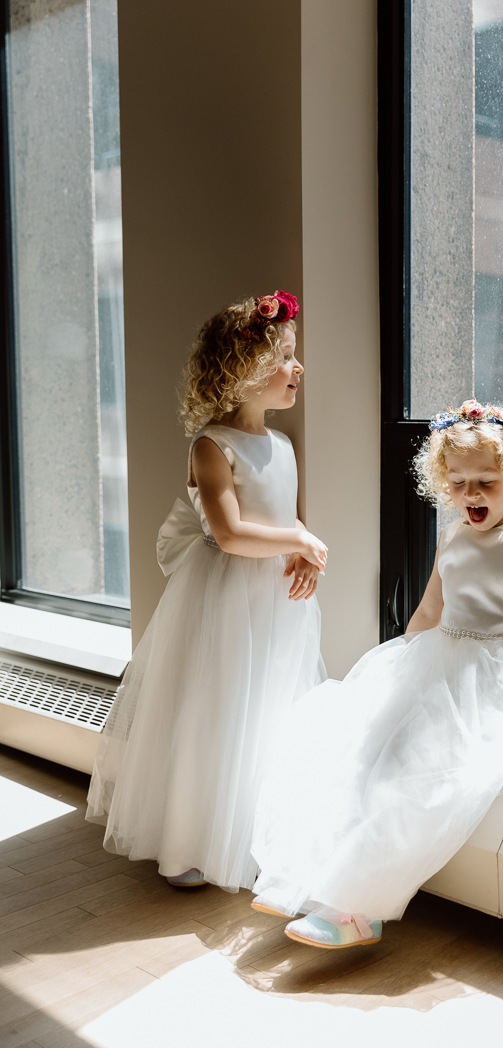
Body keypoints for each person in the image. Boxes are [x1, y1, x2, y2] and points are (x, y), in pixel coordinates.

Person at [250, 399, 503, 948]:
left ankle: (356, 909)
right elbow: (428, 611)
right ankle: (305, 880)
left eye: (486, 482)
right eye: (459, 482)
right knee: (360, 748)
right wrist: (396, 665)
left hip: (493, 682)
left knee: (422, 783)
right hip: (438, 661)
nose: (471, 495)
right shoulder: (453, 537)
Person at [86, 290, 327, 892]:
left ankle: (252, 833)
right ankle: (194, 841)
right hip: (227, 600)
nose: (297, 369)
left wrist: (307, 552)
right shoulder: (210, 446)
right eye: (285, 357)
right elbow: (230, 532)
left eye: (295, 358)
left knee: (270, 710)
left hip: (277, 603)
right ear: (243, 371)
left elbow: (282, 526)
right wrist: (300, 540)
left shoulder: (285, 445)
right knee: (217, 713)